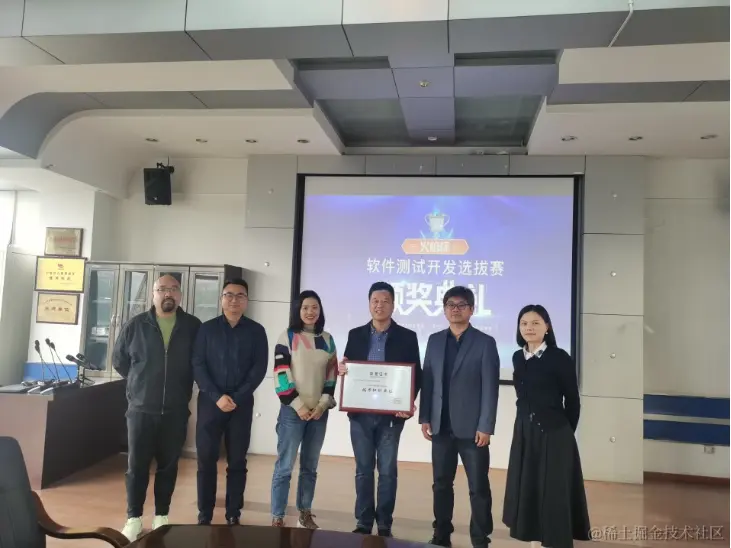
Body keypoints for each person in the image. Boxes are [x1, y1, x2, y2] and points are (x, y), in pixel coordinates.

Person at [112, 273, 202, 541]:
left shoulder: (193, 326)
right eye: (162, 289)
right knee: (136, 467)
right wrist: (141, 384)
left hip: (175, 410)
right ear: (153, 294)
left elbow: (198, 363)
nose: (168, 294)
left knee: (168, 466)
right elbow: (120, 361)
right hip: (141, 410)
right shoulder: (136, 325)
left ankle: (162, 516)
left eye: (173, 289)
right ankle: (134, 518)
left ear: (180, 295)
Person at [502, 305, 591, 548]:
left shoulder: (559, 357)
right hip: (524, 432)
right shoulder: (517, 357)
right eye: (524, 323)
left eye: (535, 323)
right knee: (528, 486)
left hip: (554, 434)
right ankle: (532, 537)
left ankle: (553, 541)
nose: (529, 328)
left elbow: (572, 401)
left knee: (553, 491)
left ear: (547, 327)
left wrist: (563, 434)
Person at [338, 281, 422, 537]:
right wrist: (343, 369)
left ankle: (384, 523)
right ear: (369, 304)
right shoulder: (355, 334)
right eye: (375, 300)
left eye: (385, 301)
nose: (379, 305)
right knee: (363, 470)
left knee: (387, 472)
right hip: (361, 415)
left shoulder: (407, 336)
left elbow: (416, 375)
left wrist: (407, 403)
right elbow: (349, 368)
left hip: (390, 417)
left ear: (393, 305)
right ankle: (364, 522)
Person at [419, 286, 499, 548]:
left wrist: (486, 425)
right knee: (441, 484)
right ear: (444, 310)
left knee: (478, 487)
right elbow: (428, 381)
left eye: (461, 305)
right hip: (441, 426)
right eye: (450, 305)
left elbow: (490, 388)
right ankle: (441, 535)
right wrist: (425, 417)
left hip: (473, 429)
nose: (455, 309)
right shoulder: (434, 341)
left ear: (472, 310)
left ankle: (480, 538)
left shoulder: (485, 343)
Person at [193, 278, 268, 525]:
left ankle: (233, 513)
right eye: (229, 295)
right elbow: (198, 365)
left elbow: (258, 369)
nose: (234, 300)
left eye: (240, 295)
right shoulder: (206, 329)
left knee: (237, 461)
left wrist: (236, 397)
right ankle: (205, 513)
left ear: (247, 300)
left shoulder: (256, 331)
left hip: (241, 405)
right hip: (210, 403)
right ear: (221, 299)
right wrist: (217, 397)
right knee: (206, 459)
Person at [270, 290, 338, 528]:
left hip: (319, 414)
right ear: (298, 310)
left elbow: (331, 376)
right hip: (292, 412)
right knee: (285, 467)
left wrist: (322, 405)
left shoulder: (328, 339)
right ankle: (277, 516)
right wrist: (298, 405)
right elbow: (281, 375)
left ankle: (305, 513)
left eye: (315, 307)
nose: (310, 312)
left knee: (310, 467)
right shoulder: (287, 337)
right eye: (305, 307)